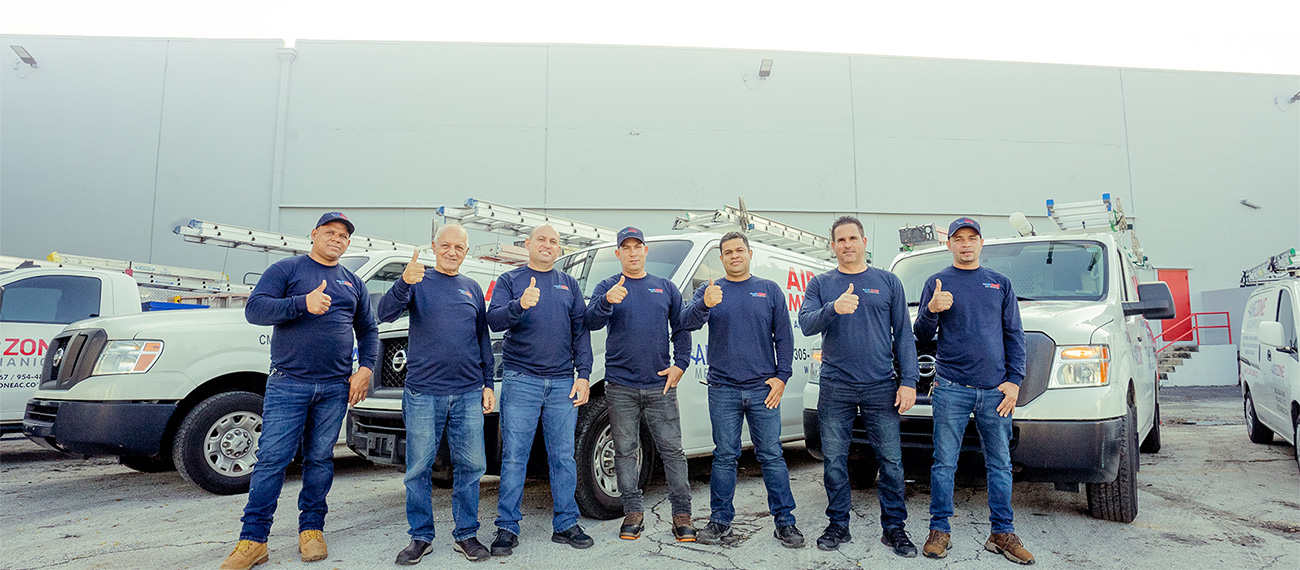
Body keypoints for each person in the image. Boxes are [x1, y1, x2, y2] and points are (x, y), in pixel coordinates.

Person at [220, 212, 379, 570]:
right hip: (288, 383)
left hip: (335, 387)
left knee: (320, 460)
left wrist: (365, 369)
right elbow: (255, 310)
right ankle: (253, 540)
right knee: (272, 460)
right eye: (330, 232)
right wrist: (301, 303)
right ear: (314, 234)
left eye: (343, 235)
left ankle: (311, 530)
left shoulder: (353, 283)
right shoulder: (287, 270)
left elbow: (369, 330)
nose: (337, 239)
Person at [798, 215, 919, 557]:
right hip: (836, 386)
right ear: (833, 245)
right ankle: (838, 524)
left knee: (891, 461)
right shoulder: (821, 284)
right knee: (835, 460)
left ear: (864, 242)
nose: (847, 244)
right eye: (841, 240)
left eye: (853, 238)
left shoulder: (888, 281)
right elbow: (806, 324)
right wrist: (833, 308)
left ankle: (894, 528)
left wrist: (909, 381)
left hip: (881, 385)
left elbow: (904, 335)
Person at [914, 217, 1033, 565]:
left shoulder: (1000, 283)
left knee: (1000, 464)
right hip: (951, 388)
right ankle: (939, 530)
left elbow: (1014, 335)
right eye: (959, 238)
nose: (965, 244)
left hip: (995, 391)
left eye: (972, 238)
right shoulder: (937, 282)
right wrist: (931, 310)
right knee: (943, 463)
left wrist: (1014, 381)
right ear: (949, 244)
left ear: (981, 243)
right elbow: (921, 334)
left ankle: (1002, 533)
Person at [378, 224, 496, 564]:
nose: (452, 251)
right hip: (423, 393)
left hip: (468, 393)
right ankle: (420, 536)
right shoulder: (418, 281)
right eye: (446, 245)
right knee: (418, 468)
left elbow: (482, 339)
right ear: (434, 246)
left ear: (466, 251)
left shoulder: (472, 288)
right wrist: (403, 282)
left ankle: (466, 534)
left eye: (459, 247)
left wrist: (488, 383)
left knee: (472, 466)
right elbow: (384, 313)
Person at [680, 231, 804, 549]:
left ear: (749, 253)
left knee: (772, 456)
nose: (734, 255)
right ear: (721, 258)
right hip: (723, 389)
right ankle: (720, 521)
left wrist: (782, 377)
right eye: (728, 252)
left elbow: (784, 337)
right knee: (724, 456)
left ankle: (786, 523)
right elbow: (686, 323)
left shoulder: (769, 290)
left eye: (739, 250)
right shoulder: (710, 290)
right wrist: (703, 305)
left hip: (763, 390)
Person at [487, 225, 595, 555]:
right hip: (521, 380)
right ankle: (507, 527)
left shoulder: (569, 284)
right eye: (541, 239)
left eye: (553, 241)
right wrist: (519, 304)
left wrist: (584, 375)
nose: (547, 245)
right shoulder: (510, 280)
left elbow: (581, 331)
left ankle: (566, 524)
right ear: (528, 244)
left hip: (562, 383)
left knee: (563, 456)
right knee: (514, 456)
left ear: (559, 249)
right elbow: (494, 320)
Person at [584, 226, 696, 542]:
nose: (632, 252)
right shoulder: (608, 286)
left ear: (645, 251)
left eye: (637, 246)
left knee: (672, 451)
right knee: (625, 450)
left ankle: (682, 515)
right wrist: (606, 301)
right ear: (618, 253)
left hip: (660, 386)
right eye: (626, 247)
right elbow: (590, 321)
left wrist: (680, 365)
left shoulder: (666, 288)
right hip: (620, 387)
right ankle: (633, 513)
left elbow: (682, 328)